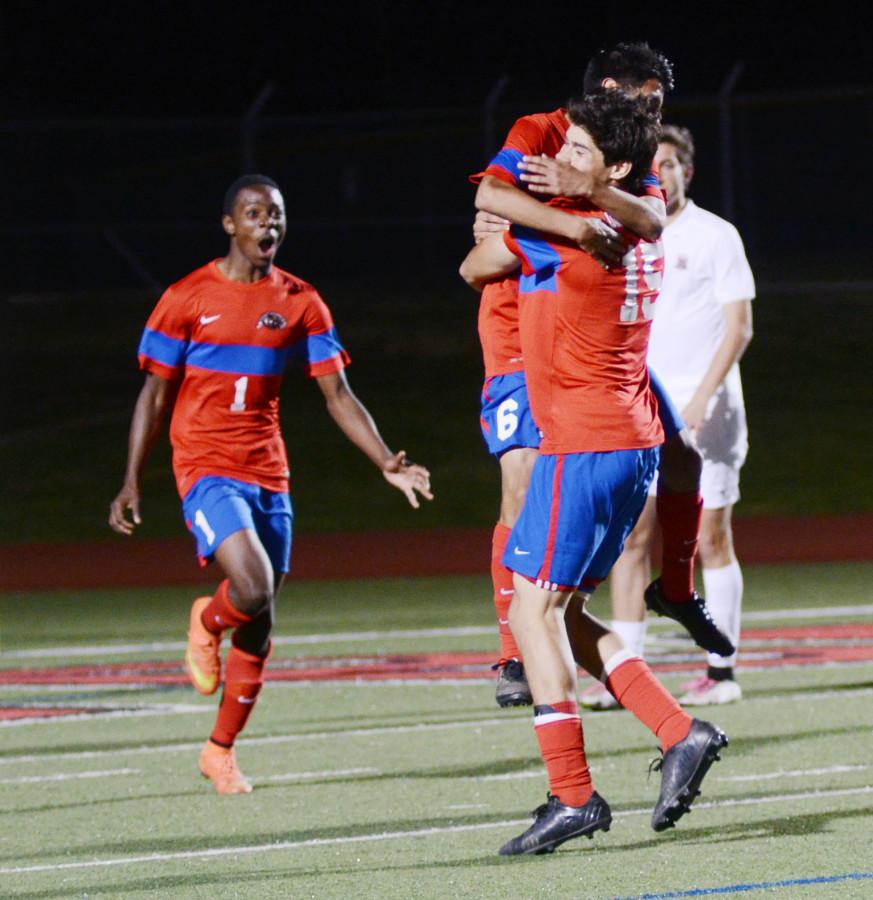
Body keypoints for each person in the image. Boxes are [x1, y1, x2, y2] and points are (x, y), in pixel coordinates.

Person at [460, 91, 727, 856]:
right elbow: (634, 217)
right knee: (566, 617)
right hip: (621, 442)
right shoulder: (626, 216)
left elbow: (474, 262)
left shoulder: (581, 238)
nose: (555, 160)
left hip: (582, 442)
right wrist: (566, 202)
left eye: (574, 151)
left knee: (530, 616)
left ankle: (572, 795)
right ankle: (681, 731)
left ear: (611, 166)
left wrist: (522, 216)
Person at [109, 175, 432, 794]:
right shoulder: (185, 297)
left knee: (261, 618)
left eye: (277, 215)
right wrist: (130, 480)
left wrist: (385, 459)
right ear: (230, 224)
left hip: (268, 471)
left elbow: (337, 394)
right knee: (250, 588)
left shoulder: (302, 301)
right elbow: (153, 395)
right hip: (204, 465)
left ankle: (220, 750)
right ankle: (207, 621)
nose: (268, 225)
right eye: (255, 214)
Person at [604, 125, 754, 707]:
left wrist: (699, 398)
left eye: (669, 164)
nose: (659, 174)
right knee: (632, 537)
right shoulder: (630, 235)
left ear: (685, 172)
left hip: (707, 409)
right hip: (642, 409)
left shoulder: (716, 236)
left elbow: (739, 328)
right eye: (650, 164)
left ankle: (722, 672)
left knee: (712, 537)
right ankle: (627, 675)